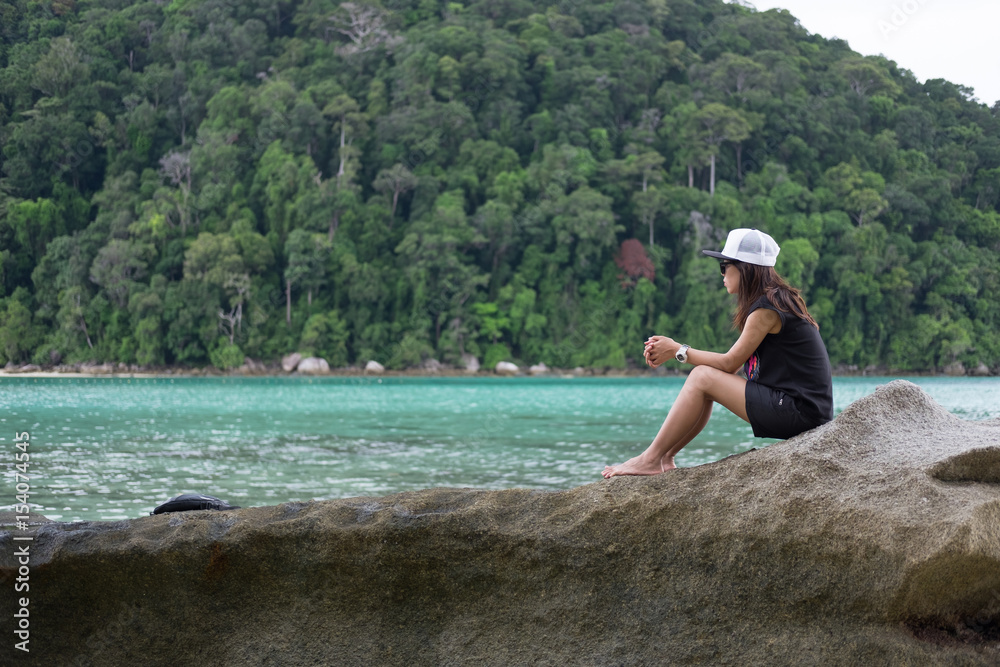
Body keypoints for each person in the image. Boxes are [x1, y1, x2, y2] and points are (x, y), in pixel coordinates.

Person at [603, 228, 833, 478]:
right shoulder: (771, 301)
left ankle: (650, 459)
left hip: (800, 412)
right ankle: (665, 458)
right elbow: (730, 367)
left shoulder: (768, 308)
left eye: (724, 267)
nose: (722, 274)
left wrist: (677, 350)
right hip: (800, 408)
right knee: (705, 379)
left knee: (703, 377)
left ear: (745, 268)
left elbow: (729, 363)